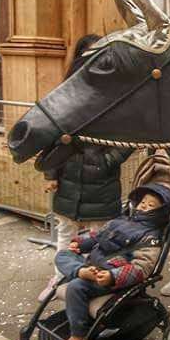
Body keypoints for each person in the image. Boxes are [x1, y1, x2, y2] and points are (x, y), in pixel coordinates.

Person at [39, 34, 133, 299]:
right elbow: (51, 135)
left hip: (101, 181)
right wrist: (51, 172)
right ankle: (59, 278)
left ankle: (92, 285)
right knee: (65, 234)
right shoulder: (64, 92)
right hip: (69, 177)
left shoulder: (117, 96)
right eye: (88, 53)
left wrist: (106, 161)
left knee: (99, 236)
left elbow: (129, 139)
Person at [53, 184, 170, 340]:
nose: (144, 206)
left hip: (110, 276)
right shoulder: (120, 220)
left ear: (159, 213)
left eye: (151, 205)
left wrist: (112, 276)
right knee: (62, 255)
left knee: (75, 287)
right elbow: (97, 237)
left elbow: (142, 267)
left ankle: (78, 334)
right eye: (143, 202)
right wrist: (81, 244)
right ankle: (80, 270)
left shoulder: (150, 237)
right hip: (91, 265)